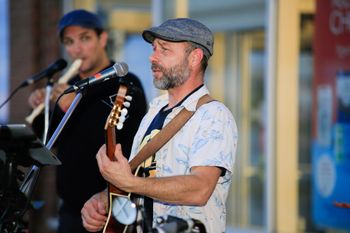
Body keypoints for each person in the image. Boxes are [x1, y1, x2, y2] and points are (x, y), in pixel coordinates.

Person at [81, 18, 238, 233]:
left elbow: (200, 189)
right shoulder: (154, 110)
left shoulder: (213, 115)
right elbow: (141, 179)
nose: (152, 57)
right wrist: (103, 201)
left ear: (194, 58)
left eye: (164, 50)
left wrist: (128, 182)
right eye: (154, 48)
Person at [27, 9, 148, 233]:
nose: (77, 49)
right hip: (70, 210)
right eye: (70, 42)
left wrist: (73, 107)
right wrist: (40, 112)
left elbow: (131, 142)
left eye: (85, 38)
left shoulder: (126, 82)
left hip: (108, 209)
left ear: (102, 39)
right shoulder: (68, 85)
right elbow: (51, 141)